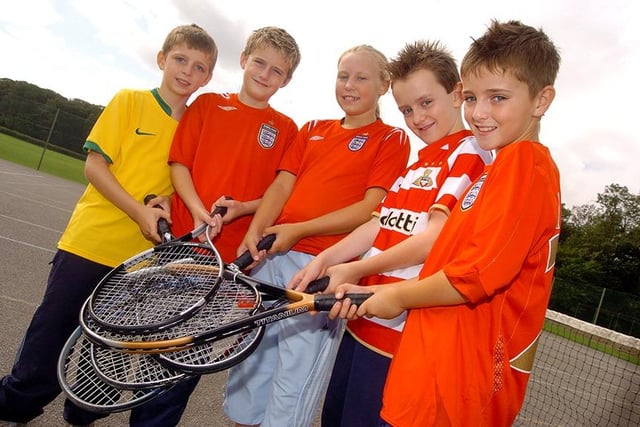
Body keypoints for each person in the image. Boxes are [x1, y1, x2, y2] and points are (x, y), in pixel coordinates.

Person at [330, 20, 561, 426]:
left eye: (498, 98)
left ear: (541, 100)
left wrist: (397, 297)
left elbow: (473, 274)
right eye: (472, 97)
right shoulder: (501, 167)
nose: (480, 113)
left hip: (461, 386)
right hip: (434, 368)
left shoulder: (524, 163)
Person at [0, 24, 217, 425]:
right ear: (162, 59)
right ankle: (16, 404)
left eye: (200, 67)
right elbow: (95, 166)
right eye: (180, 59)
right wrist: (138, 211)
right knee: (51, 335)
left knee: (107, 351)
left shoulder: (197, 128)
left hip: (139, 263)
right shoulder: (130, 101)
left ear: (208, 77)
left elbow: (176, 185)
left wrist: (163, 201)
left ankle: (81, 415)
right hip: (91, 242)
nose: (188, 71)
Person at [287, 40, 493, 427]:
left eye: (426, 103)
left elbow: (434, 238)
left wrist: (354, 273)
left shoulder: (469, 154)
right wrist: (327, 260)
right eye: (407, 110)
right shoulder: (419, 162)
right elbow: (378, 224)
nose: (417, 117)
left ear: (457, 94)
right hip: (362, 320)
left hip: (399, 338)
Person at [223, 44, 411, 427]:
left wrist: (299, 230)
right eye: (343, 76)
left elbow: (368, 210)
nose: (349, 85)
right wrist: (257, 231)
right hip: (272, 256)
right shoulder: (312, 129)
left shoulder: (391, 139)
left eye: (361, 77)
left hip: (323, 269)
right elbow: (281, 187)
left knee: (296, 369)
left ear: (384, 85)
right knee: (253, 356)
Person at [130, 26, 303, 422]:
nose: (264, 74)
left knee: (186, 356)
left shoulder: (287, 129)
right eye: (259, 62)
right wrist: (195, 212)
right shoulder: (207, 105)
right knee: (154, 339)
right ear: (243, 60)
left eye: (277, 71)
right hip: (182, 248)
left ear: (287, 79)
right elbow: (180, 165)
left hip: (231, 262)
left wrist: (243, 209)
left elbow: (282, 192)